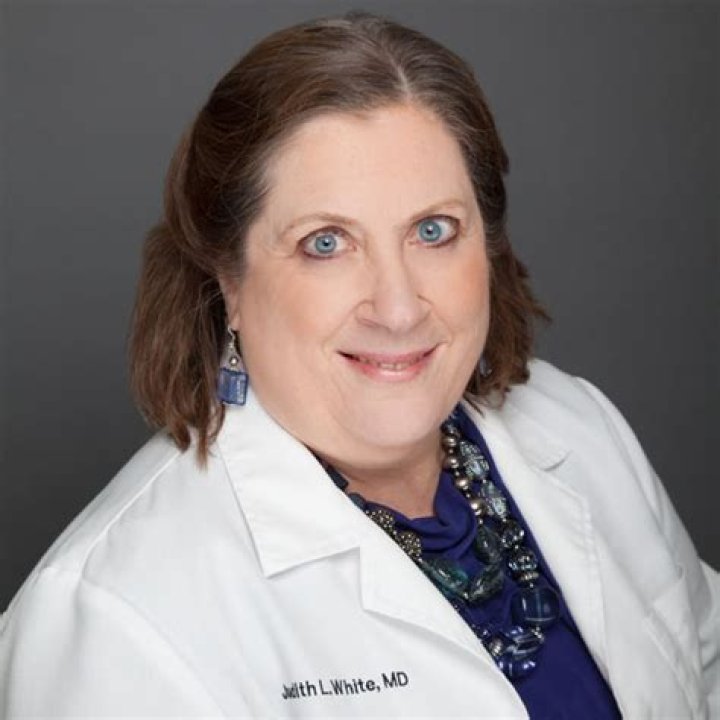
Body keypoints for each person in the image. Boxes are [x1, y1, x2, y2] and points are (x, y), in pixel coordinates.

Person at [1, 10, 717, 719]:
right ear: (229, 281)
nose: (397, 308)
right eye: (325, 243)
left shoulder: (582, 427)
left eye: (433, 230)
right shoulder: (115, 619)